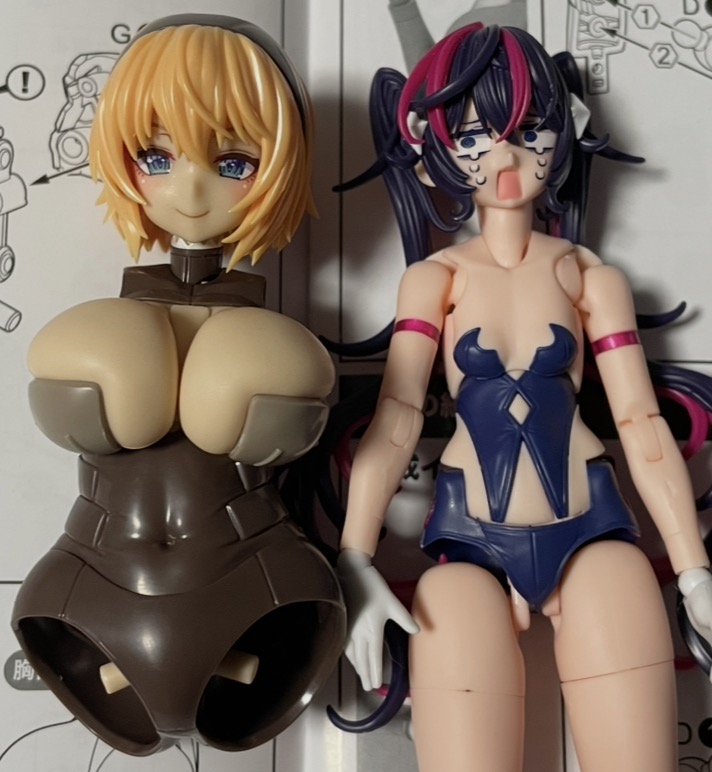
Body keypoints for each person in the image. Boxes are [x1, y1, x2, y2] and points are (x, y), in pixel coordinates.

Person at [335, 22, 712, 772]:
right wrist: (354, 556)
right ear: (432, 145)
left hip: (593, 535)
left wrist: (695, 571)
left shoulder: (588, 276)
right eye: (475, 137)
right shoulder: (435, 280)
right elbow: (398, 419)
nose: (505, 159)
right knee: (454, 651)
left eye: (528, 131)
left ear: (565, 130)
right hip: (468, 544)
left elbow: (641, 422)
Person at [12, 15, 345, 757]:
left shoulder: (265, 331)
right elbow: (63, 405)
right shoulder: (115, 320)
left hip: (257, 584)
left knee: (255, 359)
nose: (191, 188)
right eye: (156, 157)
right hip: (90, 580)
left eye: (233, 163)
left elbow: (292, 425)